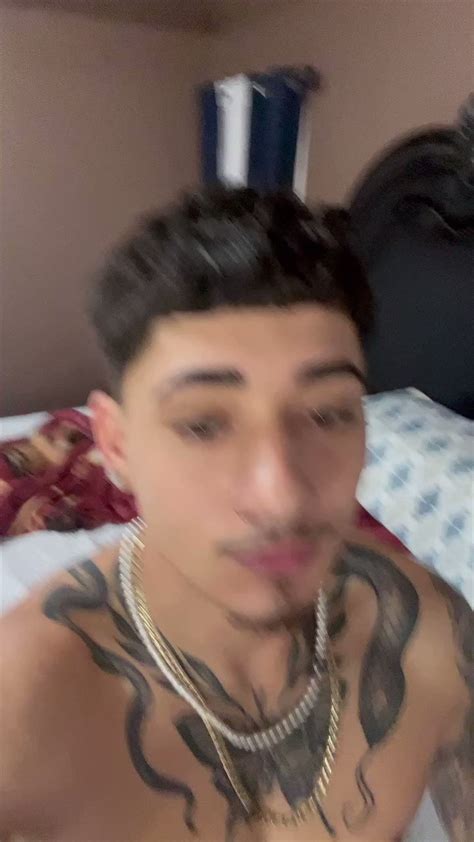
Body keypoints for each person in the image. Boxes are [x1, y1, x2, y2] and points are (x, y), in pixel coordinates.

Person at [0, 189, 471, 842]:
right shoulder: (22, 717)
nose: (282, 497)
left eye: (327, 413)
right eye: (203, 425)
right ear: (116, 444)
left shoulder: (432, 639)